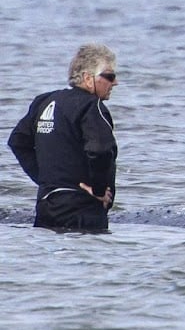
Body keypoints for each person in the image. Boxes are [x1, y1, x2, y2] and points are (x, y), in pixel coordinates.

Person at [8, 44, 119, 231]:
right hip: (82, 210)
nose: (115, 82)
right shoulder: (91, 106)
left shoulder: (44, 101)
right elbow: (100, 150)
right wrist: (99, 190)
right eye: (109, 76)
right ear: (87, 78)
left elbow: (18, 142)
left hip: (46, 206)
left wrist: (46, 180)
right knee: (92, 260)